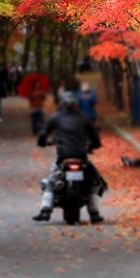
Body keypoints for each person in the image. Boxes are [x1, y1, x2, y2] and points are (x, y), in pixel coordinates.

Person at [32, 91, 105, 224]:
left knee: (51, 181)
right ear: (76, 105)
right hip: (81, 156)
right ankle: (94, 213)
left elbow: (44, 132)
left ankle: (45, 210)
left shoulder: (56, 117)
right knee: (90, 183)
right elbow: (94, 135)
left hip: (63, 156)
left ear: (62, 105)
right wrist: (95, 144)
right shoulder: (83, 117)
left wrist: (42, 142)